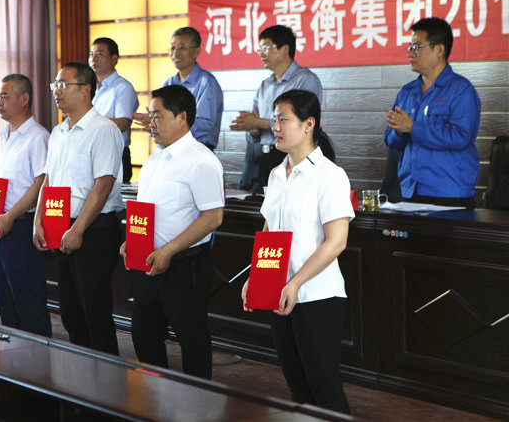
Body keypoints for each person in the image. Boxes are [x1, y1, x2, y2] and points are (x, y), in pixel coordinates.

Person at [241, 89, 353, 414]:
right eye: (274, 119)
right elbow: (269, 231)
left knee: (325, 390)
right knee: (298, 388)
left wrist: (296, 283)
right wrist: (256, 276)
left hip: (317, 297)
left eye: (283, 119)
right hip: (280, 295)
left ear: (308, 124)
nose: (275, 127)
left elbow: (337, 241)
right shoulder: (277, 174)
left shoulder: (330, 176)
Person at [121, 85, 224, 379]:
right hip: (148, 262)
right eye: (150, 115)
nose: (151, 122)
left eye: (158, 115)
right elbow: (147, 211)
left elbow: (213, 217)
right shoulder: (154, 159)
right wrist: (132, 241)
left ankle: (198, 398)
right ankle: (158, 394)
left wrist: (169, 250)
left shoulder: (201, 160)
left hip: (184, 264)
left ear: (182, 117)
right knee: (144, 334)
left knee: (192, 339)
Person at [33, 62, 124, 355]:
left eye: (63, 84)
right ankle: (80, 373)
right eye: (55, 85)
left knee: (94, 312)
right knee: (71, 313)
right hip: (60, 225)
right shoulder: (58, 131)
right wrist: (38, 220)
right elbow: (48, 179)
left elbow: (103, 185)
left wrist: (78, 229)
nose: (56, 91)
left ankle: (107, 376)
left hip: (93, 229)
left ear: (86, 90)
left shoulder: (103, 130)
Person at [0, 74, 52, 337]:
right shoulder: (4, 136)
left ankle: (36, 358)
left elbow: (41, 182)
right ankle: (13, 356)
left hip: (20, 226)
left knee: (28, 301)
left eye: (4, 96)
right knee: (5, 300)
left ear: (24, 99)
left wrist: (11, 216)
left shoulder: (38, 137)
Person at [384, 17, 481, 209]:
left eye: (417, 47)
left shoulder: (461, 90)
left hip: (448, 193)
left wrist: (412, 127)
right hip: (410, 190)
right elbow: (391, 142)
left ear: (439, 50)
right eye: (410, 47)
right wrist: (399, 132)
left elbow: (460, 137)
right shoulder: (407, 92)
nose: (411, 53)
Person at [231, 24, 323, 193]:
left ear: (285, 49)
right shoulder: (264, 85)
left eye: (266, 48)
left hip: (293, 156)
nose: (261, 53)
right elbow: (255, 126)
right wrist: (253, 129)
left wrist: (258, 122)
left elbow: (304, 122)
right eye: (259, 49)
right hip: (263, 157)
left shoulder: (306, 80)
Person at [133, 27, 223, 150]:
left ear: (196, 51)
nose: (175, 53)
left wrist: (168, 123)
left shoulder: (207, 83)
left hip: (197, 150)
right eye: (173, 48)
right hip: (170, 149)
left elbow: (205, 126)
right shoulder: (169, 83)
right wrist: (154, 121)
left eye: (182, 47)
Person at [89, 37, 139, 183]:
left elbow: (123, 123)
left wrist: (87, 121)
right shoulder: (89, 88)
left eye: (99, 54)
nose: (93, 58)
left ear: (114, 59)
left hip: (115, 154)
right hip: (92, 153)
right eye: (91, 54)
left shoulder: (123, 87)